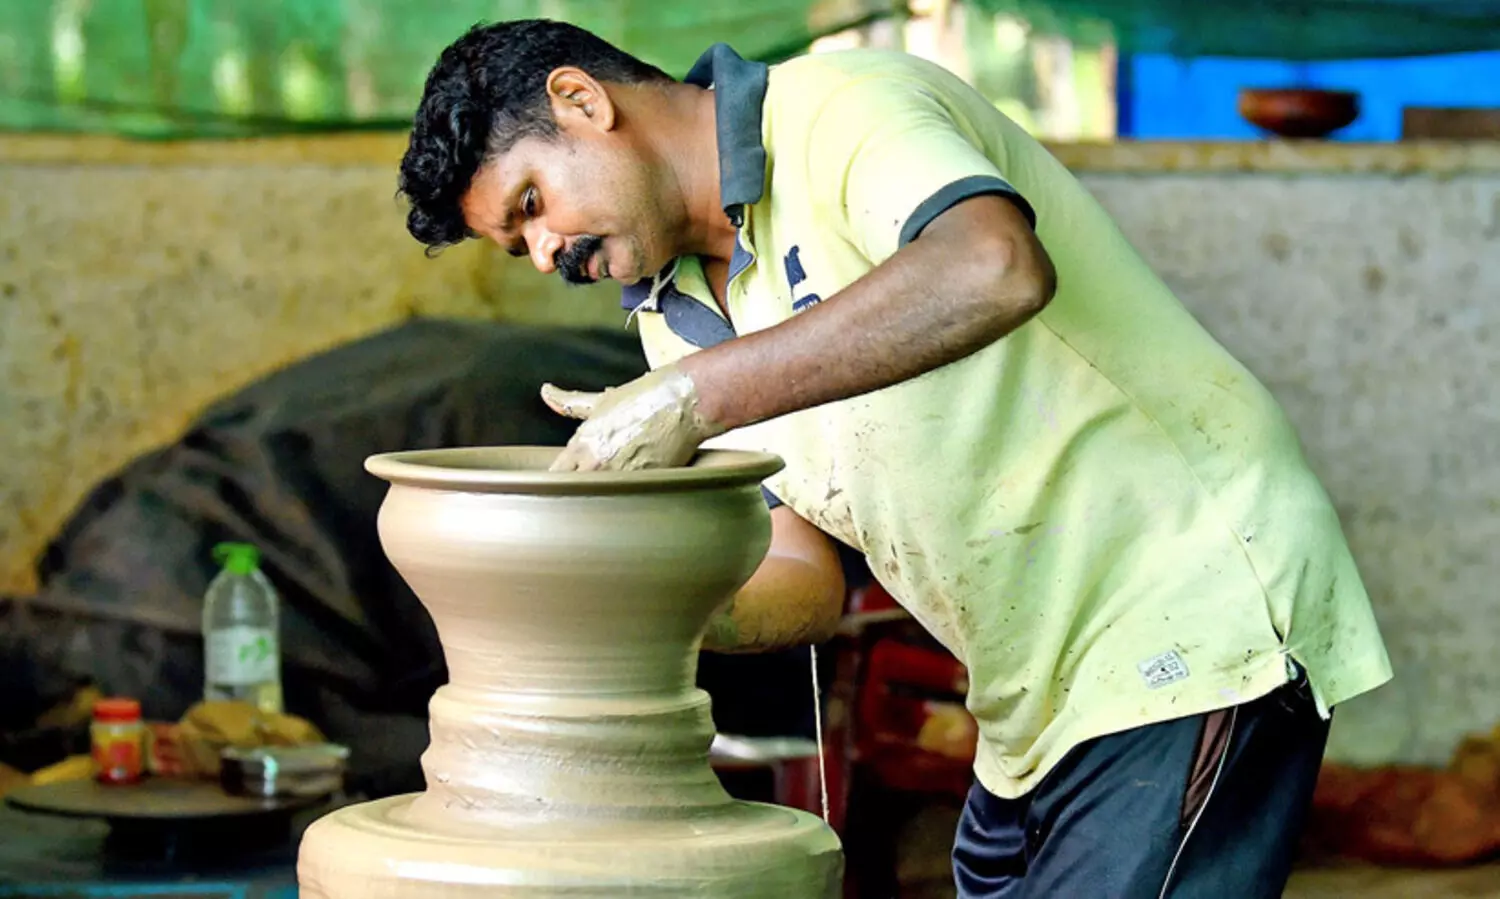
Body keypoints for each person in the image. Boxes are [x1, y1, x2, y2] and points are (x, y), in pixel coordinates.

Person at [396, 19, 1392, 898]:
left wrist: (696, 396)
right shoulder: (675, 322)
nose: (544, 255)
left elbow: (993, 265)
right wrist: (634, 611)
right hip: (1032, 695)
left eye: (531, 204)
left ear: (581, 100)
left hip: (1189, 602)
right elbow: (802, 574)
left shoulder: (839, 108)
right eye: (515, 244)